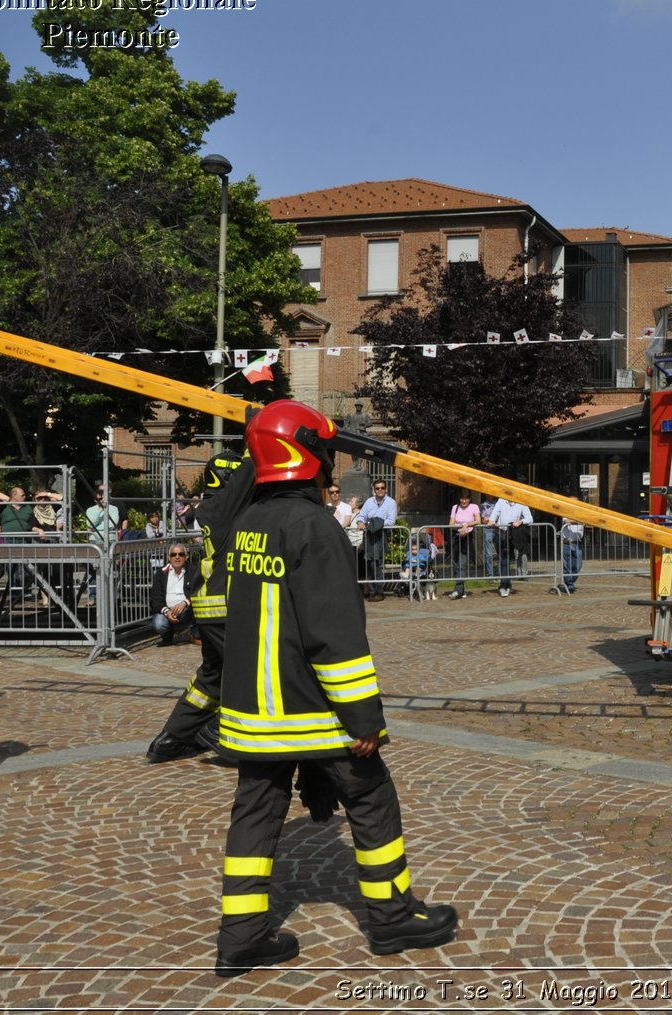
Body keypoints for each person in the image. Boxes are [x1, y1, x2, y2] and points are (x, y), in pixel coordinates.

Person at [213, 400, 457, 976]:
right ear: (309, 455)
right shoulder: (315, 527)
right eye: (324, 451)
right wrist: (364, 717)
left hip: (255, 713)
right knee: (372, 799)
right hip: (312, 709)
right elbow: (334, 634)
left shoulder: (248, 524)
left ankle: (241, 937)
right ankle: (391, 916)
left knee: (255, 813)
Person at [146, 447, 251, 764]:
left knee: (211, 676)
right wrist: (254, 440)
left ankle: (171, 739)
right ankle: (220, 731)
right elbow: (249, 473)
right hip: (224, 608)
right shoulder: (223, 506)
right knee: (249, 671)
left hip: (211, 608)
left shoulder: (211, 508)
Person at [148, 544, 202, 646]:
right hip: (167, 611)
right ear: (169, 558)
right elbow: (155, 599)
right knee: (159, 624)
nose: (177, 557)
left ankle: (195, 634)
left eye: (181, 554)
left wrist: (184, 603)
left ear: (186, 557)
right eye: (173, 555)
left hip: (187, 610)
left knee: (199, 608)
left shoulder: (194, 571)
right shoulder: (161, 573)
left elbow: (199, 591)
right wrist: (167, 611)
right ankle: (167, 635)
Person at [353, 480, 398, 601]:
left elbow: (390, 521)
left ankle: (379, 592)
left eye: (382, 488)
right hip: (368, 536)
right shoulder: (369, 501)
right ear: (374, 489)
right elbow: (361, 515)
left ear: (386, 489)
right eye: (377, 488)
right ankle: (372, 591)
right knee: (368, 564)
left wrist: (372, 523)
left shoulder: (391, 503)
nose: (380, 490)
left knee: (377, 564)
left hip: (380, 535)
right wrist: (361, 522)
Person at [486, 496, 532, 597]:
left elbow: (530, 518)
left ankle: (506, 584)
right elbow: (495, 512)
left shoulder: (522, 502)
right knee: (503, 559)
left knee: (508, 559)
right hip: (501, 533)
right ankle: (505, 584)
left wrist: (521, 521)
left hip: (513, 534)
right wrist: (492, 520)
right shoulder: (501, 500)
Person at [445, 491, 481, 599]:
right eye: (462, 498)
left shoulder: (474, 507)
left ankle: (458, 590)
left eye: (466, 499)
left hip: (467, 537)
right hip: (456, 536)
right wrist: (457, 527)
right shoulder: (455, 507)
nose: (464, 501)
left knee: (462, 563)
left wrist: (466, 525)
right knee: (455, 563)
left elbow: (478, 520)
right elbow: (451, 523)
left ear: (469, 499)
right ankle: (462, 589)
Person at [550, 515, 584, 595]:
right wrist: (579, 520)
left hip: (577, 542)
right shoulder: (566, 511)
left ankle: (569, 581)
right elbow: (566, 521)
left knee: (578, 566)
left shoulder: (582, 512)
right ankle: (569, 584)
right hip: (566, 543)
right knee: (567, 565)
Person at [342, 401, 374, 470]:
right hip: (353, 434)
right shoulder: (351, 415)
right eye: (357, 405)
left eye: (359, 406)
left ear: (361, 407)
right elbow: (346, 424)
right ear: (355, 406)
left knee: (361, 450)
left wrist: (364, 424)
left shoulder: (365, 415)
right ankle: (354, 463)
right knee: (353, 450)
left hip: (361, 434)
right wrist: (349, 430)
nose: (358, 407)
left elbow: (370, 423)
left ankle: (359, 464)